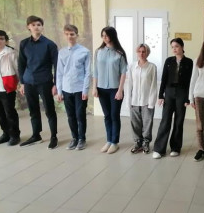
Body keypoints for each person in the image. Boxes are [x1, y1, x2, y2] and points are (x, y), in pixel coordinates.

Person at [18, 15, 59, 149]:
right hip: (28, 81)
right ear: (28, 27)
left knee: (49, 110)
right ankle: (36, 135)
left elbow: (57, 66)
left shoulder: (50, 44)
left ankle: (54, 136)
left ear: (42, 27)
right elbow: (21, 64)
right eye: (33, 25)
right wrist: (22, 83)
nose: (36, 27)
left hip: (45, 81)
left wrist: (56, 84)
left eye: (39, 25)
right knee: (33, 110)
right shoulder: (24, 44)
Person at [152, 38, 193, 159]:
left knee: (179, 121)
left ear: (182, 47)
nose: (174, 49)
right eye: (172, 47)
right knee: (165, 120)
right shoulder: (169, 61)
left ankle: (175, 148)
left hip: (182, 93)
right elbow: (164, 78)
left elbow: (190, 81)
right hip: (169, 92)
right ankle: (159, 149)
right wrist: (161, 95)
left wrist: (188, 98)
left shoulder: (189, 62)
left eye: (176, 46)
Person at [92, 26, 128, 155]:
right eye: (103, 36)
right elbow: (95, 71)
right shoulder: (98, 51)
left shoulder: (120, 53)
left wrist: (120, 90)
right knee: (107, 116)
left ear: (112, 36)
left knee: (114, 115)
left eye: (106, 35)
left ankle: (114, 142)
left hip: (115, 89)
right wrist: (94, 87)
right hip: (101, 88)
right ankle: (108, 140)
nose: (104, 38)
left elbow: (123, 73)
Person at [56, 24, 91, 151]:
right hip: (66, 89)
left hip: (79, 89)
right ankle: (74, 138)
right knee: (70, 116)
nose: (69, 36)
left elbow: (88, 72)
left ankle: (82, 139)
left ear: (77, 35)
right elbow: (59, 73)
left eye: (72, 34)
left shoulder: (85, 52)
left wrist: (85, 90)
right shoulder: (61, 52)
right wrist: (59, 91)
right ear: (64, 35)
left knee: (80, 115)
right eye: (67, 34)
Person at [128, 44, 157, 155]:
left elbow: (153, 85)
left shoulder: (152, 67)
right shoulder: (132, 66)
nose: (141, 53)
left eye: (144, 51)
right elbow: (130, 84)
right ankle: (137, 142)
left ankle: (146, 142)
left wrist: (151, 102)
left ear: (147, 53)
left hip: (147, 101)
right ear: (137, 52)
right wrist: (129, 101)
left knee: (147, 123)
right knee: (135, 123)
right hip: (134, 100)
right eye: (139, 51)